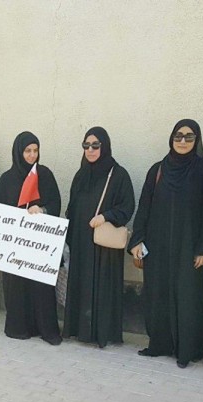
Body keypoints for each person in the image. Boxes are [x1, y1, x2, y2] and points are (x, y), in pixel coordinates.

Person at [128, 119, 203, 368]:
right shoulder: (158, 169)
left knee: (188, 297)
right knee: (158, 294)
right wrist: (137, 240)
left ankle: (187, 349)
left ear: (197, 140)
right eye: (178, 136)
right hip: (158, 248)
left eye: (189, 137)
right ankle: (159, 344)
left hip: (189, 248)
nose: (182, 141)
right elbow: (144, 207)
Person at [63, 127, 135, 348]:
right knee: (82, 283)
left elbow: (127, 206)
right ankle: (80, 331)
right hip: (81, 241)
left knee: (102, 286)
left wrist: (105, 216)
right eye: (86, 145)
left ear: (105, 146)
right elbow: (72, 206)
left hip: (104, 245)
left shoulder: (118, 174)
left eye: (96, 145)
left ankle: (102, 333)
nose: (91, 150)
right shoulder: (81, 174)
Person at [0, 131, 63, 345]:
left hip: (39, 244)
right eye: (27, 151)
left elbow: (55, 203)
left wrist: (42, 210)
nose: (32, 155)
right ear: (19, 152)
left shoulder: (45, 175)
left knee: (41, 287)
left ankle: (46, 330)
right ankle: (19, 328)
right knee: (17, 286)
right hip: (15, 244)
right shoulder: (7, 179)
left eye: (35, 150)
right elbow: (0, 212)